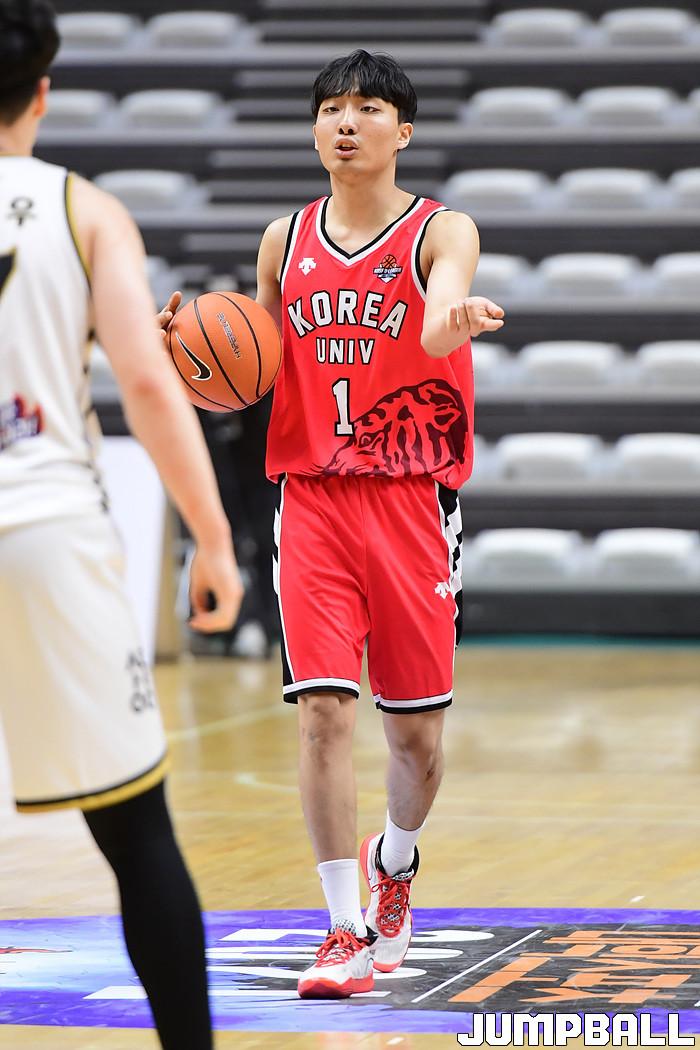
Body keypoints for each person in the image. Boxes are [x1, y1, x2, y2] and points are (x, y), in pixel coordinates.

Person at [0, 2, 243, 1047]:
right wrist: (215, 540)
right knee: (137, 832)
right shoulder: (83, 209)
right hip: (44, 527)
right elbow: (147, 385)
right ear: (43, 93)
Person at [257, 50, 504, 997]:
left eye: (366, 108)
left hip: (411, 502)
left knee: (417, 741)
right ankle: (340, 928)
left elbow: (437, 320)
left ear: (403, 130)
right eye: (331, 108)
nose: (345, 122)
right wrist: (196, 360)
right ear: (314, 129)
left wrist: (455, 320)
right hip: (313, 497)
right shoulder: (283, 239)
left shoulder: (443, 230)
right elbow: (259, 367)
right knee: (324, 713)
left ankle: (394, 862)